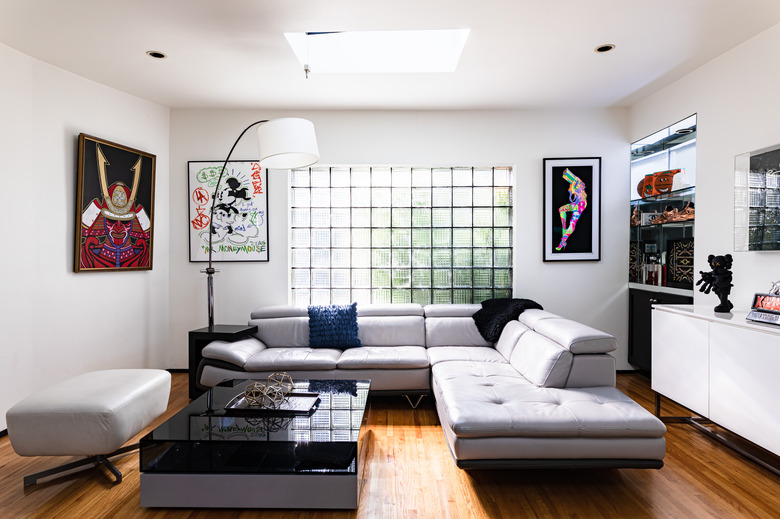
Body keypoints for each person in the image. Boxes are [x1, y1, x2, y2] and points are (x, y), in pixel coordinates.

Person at [556, 168, 588, 251]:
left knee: (572, 224)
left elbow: (580, 187)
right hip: (577, 204)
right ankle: (564, 230)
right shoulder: (576, 185)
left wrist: (574, 185)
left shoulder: (578, 185)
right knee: (561, 209)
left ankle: (562, 242)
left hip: (581, 205)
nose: (569, 188)